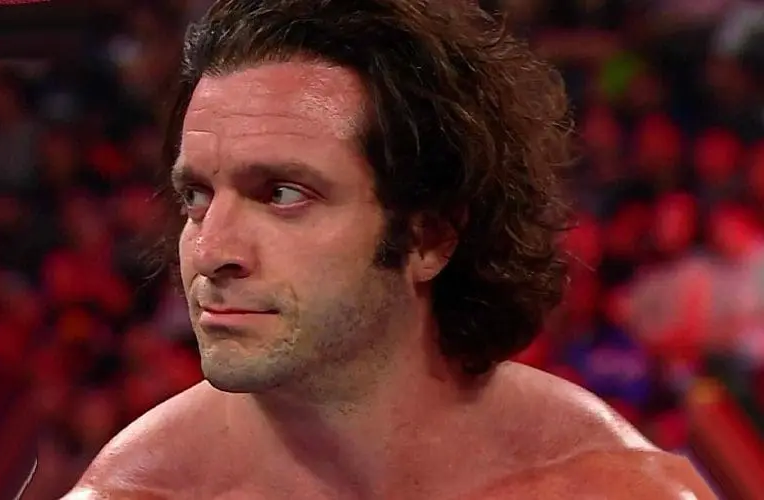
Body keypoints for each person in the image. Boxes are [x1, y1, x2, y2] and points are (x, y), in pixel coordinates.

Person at [63, 0, 716, 498]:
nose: (211, 250)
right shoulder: (134, 492)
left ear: (429, 236)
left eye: (283, 194)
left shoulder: (605, 487)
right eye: (197, 196)